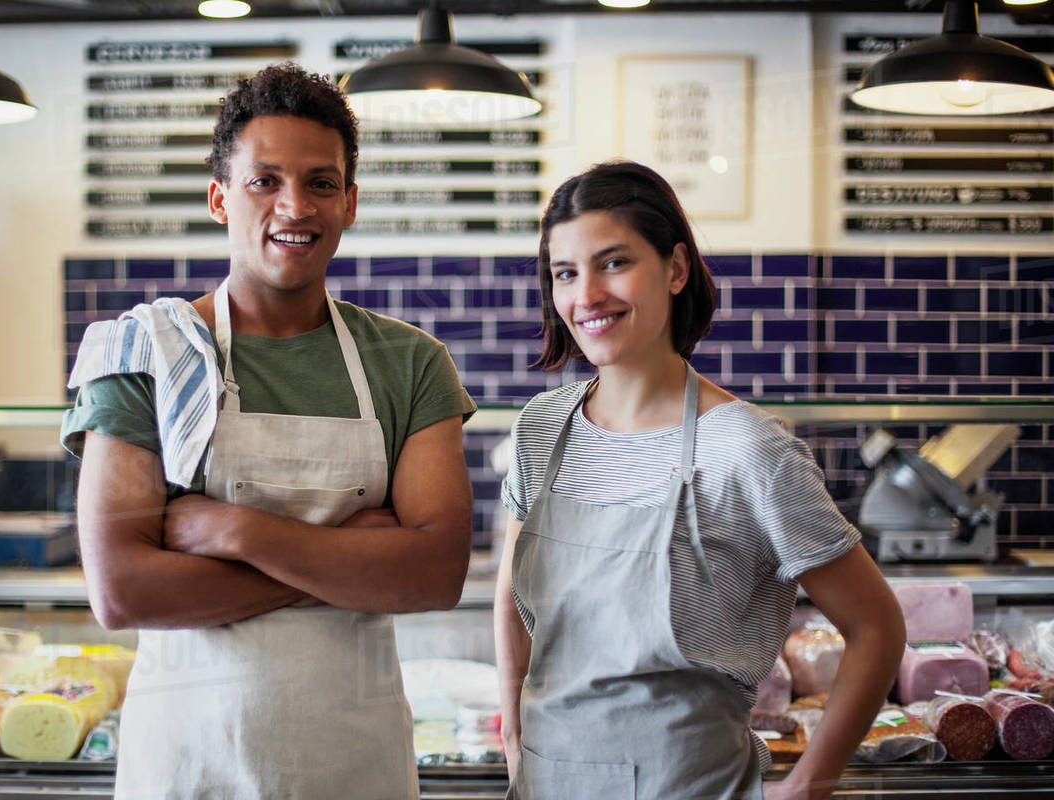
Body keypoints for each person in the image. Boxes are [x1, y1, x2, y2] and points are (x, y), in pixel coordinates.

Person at [62, 63, 477, 799]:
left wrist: (238, 533)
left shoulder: (412, 363)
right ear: (221, 198)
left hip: (355, 764)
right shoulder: (142, 354)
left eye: (321, 183)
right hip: (190, 766)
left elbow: (434, 575)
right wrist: (351, 558)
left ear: (349, 203)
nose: (295, 205)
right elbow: (123, 590)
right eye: (265, 181)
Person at [493, 161, 905, 800]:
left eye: (614, 262)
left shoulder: (745, 448)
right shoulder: (542, 428)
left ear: (677, 269)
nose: (586, 295)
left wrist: (808, 785)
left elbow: (876, 626)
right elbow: (510, 599)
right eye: (565, 273)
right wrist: (516, 741)